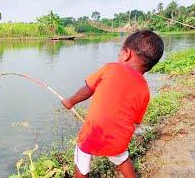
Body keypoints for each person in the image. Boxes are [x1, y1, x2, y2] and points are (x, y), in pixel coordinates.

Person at [61, 30, 164, 178]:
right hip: (119, 141)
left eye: (119, 54)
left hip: (92, 136)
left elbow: (88, 89)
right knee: (122, 159)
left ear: (127, 54)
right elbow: (135, 121)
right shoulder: (145, 90)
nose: (118, 58)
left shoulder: (110, 69)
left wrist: (70, 101)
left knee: (81, 158)